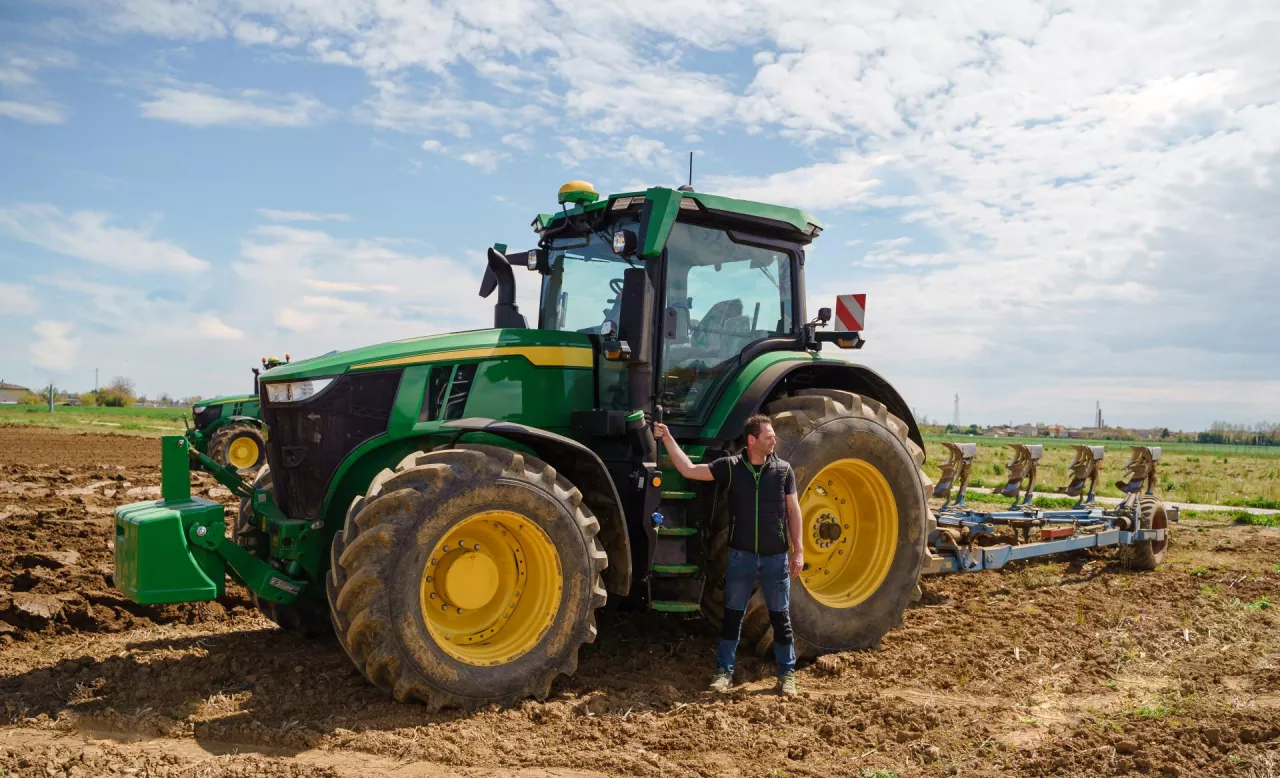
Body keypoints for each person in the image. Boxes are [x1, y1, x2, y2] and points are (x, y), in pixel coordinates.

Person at [653, 414, 804, 697]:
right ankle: (724, 672)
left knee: (780, 617)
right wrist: (667, 438)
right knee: (732, 617)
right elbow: (688, 469)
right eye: (769, 436)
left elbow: (794, 511)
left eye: (773, 436)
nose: (774, 440)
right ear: (752, 440)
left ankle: (786, 675)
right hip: (741, 558)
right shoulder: (731, 468)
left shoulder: (784, 471)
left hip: (775, 559)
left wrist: (799, 551)